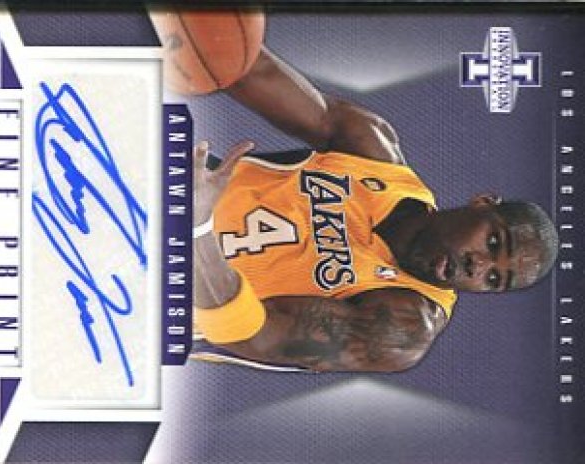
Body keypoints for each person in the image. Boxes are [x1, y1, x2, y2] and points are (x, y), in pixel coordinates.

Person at [192, 47, 559, 373]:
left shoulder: (404, 327)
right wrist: (196, 35)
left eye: (493, 279)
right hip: (168, 187)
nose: (477, 266)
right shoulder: (372, 153)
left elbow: (254, 337)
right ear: (482, 203)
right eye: (493, 243)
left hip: (168, 290)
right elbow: (249, 68)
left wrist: (198, 229)